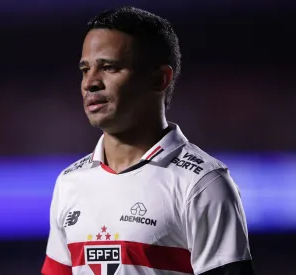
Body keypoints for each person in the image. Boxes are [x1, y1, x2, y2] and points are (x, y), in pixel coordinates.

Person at [41, 6, 254, 275]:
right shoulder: (69, 183)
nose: (90, 82)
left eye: (109, 67)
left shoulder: (202, 184)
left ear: (159, 79)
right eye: (85, 69)